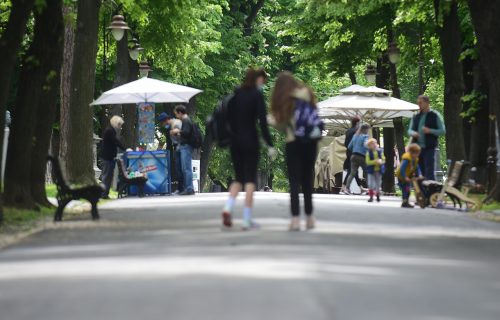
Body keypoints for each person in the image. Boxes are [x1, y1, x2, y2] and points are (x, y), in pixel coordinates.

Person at [221, 67, 274, 230]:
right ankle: (246, 219)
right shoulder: (256, 95)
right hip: (251, 141)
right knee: (250, 180)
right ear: (258, 79)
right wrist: (270, 145)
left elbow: (227, 119)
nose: (263, 84)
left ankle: (228, 207)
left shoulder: (235, 95)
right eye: (263, 81)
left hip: (235, 142)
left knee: (238, 178)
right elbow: (263, 123)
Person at [270, 72, 323, 231]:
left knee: (294, 181)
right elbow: (315, 115)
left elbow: (282, 125)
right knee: (307, 179)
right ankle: (310, 218)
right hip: (311, 142)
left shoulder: (284, 99)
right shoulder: (306, 92)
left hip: (293, 142)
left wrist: (271, 121)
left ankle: (294, 219)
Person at [408, 95, 446, 180]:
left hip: (429, 148)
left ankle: (430, 192)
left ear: (427, 103)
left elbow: (443, 131)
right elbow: (409, 130)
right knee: (419, 172)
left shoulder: (435, 115)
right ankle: (422, 192)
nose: (419, 105)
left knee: (429, 171)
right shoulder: (416, 116)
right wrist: (414, 133)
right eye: (418, 103)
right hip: (417, 149)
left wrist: (430, 131)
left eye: (421, 103)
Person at [171, 105, 195, 196]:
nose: (176, 116)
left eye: (176, 113)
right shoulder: (186, 120)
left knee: (186, 168)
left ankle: (189, 188)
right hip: (185, 146)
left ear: (180, 112)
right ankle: (188, 188)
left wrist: (177, 131)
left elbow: (186, 132)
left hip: (186, 146)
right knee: (185, 168)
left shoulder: (186, 120)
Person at [158, 112, 184, 194]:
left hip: (181, 147)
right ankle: (181, 189)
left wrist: (174, 133)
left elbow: (182, 134)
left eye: (162, 122)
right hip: (177, 147)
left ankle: (184, 188)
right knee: (178, 168)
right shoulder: (172, 125)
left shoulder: (176, 123)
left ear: (166, 120)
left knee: (182, 169)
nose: (162, 125)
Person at [101, 115, 126, 199]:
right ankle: (103, 194)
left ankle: (105, 193)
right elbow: (116, 141)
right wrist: (124, 149)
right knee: (106, 176)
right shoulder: (110, 131)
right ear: (116, 123)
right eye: (119, 125)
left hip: (110, 157)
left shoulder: (111, 130)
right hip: (108, 157)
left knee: (108, 176)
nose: (120, 127)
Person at [345, 123, 370, 194]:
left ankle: (347, 189)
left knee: (352, 173)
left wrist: (355, 148)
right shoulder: (365, 136)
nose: (368, 131)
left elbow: (349, 146)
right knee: (367, 173)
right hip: (361, 156)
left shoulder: (355, 136)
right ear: (365, 129)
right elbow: (366, 145)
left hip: (353, 156)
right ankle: (370, 189)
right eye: (368, 129)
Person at [396, 143, 424, 208]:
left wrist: (420, 175)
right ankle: (405, 201)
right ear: (411, 152)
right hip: (401, 176)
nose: (417, 155)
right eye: (416, 153)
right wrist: (405, 177)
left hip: (408, 176)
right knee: (405, 189)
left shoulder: (415, 159)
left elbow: (417, 168)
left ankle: (406, 201)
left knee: (408, 189)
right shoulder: (406, 159)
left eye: (418, 153)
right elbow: (402, 169)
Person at [342, 116, 362, 193]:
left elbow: (345, 143)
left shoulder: (348, 131)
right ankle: (344, 187)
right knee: (352, 170)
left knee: (354, 170)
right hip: (356, 152)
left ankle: (360, 187)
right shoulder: (357, 131)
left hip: (349, 152)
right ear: (357, 122)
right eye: (359, 122)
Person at [365, 138, 385, 202]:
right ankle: (371, 196)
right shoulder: (368, 152)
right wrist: (375, 161)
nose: (373, 145)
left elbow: (384, 159)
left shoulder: (380, 151)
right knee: (370, 184)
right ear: (369, 146)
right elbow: (367, 162)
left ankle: (378, 195)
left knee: (378, 184)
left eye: (374, 143)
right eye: (371, 144)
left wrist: (381, 161)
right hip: (371, 170)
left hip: (379, 170)